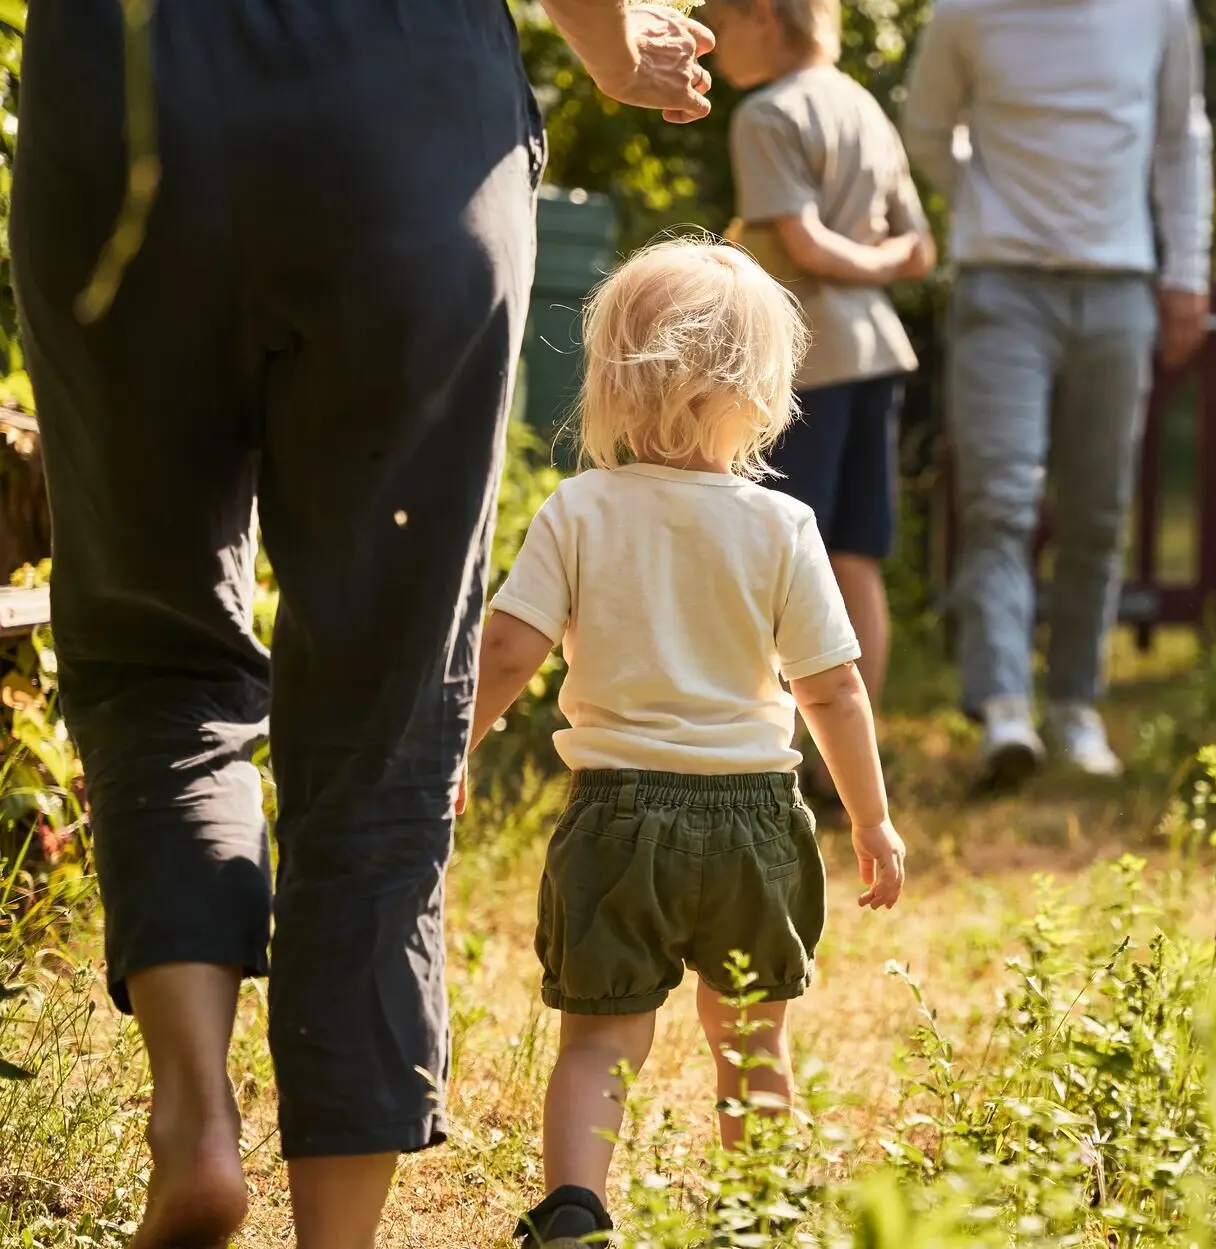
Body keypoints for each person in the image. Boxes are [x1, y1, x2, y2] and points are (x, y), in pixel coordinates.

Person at [10, 2, 715, 1245]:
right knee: (386, 706)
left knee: (152, 648)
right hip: (406, 113)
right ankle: (334, 1237)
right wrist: (605, 43)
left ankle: (194, 1116)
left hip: (126, 102)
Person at [466, 239, 908, 1246]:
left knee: (599, 1036)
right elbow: (832, 689)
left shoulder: (578, 508)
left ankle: (575, 1211)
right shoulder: (782, 526)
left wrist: (453, 750)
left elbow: (506, 647)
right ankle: (756, 1213)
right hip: (754, 817)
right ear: (764, 391)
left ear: (613, 379)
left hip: (617, 814)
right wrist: (872, 819)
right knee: (752, 1039)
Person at [902, 0, 1214, 787]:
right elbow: (928, 131)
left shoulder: (1158, 12)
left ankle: (1075, 707)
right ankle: (1005, 710)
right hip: (1001, 290)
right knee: (1000, 504)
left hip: (1120, 290)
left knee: (1098, 509)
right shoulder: (965, 13)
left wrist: (1187, 274)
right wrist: (984, 208)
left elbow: (1182, 140)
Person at [708, 0, 935, 739]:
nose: (710, 42)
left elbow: (803, 246)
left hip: (804, 363)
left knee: (776, 551)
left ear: (765, 15)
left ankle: (770, 744)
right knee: (854, 551)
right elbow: (920, 249)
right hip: (877, 352)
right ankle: (852, 749)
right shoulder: (864, 107)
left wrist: (852, 265)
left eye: (718, 17)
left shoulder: (767, 114)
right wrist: (878, 268)